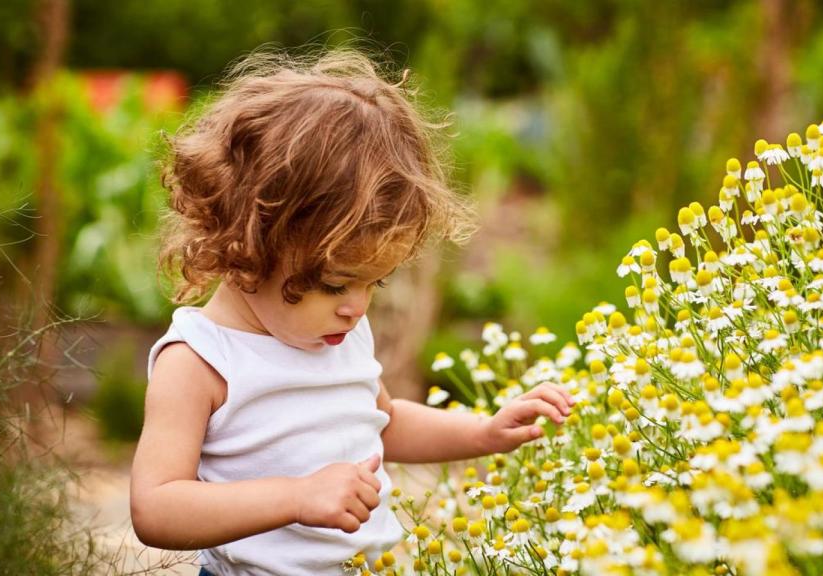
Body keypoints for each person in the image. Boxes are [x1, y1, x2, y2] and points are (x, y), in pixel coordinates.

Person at [129, 48, 575, 576]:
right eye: (336, 283)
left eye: (375, 282)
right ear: (247, 245)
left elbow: (382, 423)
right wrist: (296, 497)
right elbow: (155, 507)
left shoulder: (340, 331)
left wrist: (481, 433)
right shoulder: (200, 362)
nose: (357, 307)